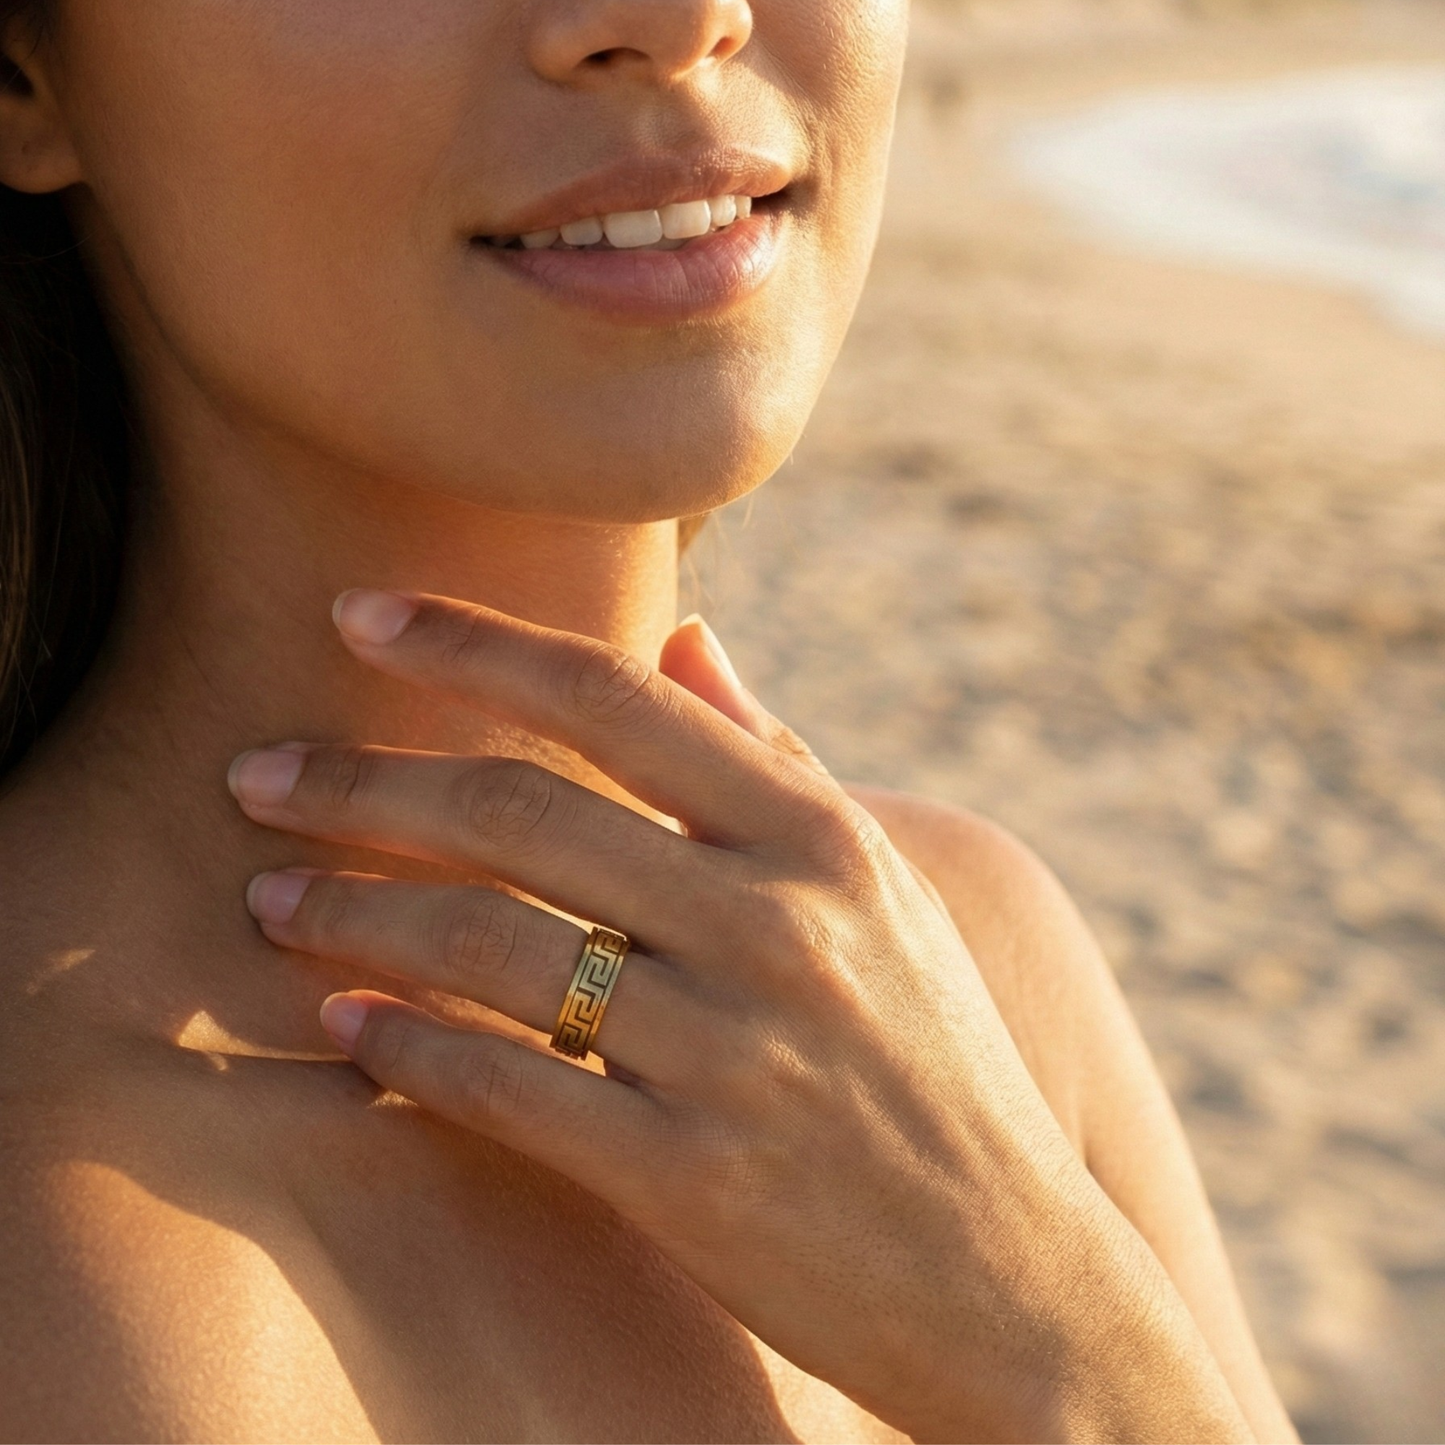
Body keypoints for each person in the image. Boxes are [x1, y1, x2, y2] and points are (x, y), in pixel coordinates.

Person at [0, 1, 1298, 1440]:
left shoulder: (977, 966)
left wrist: (1062, 1338)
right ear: (22, 68)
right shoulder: (69, 1266)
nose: (681, 18)